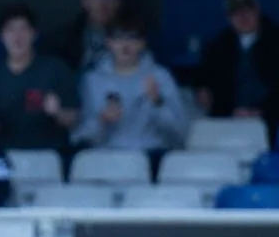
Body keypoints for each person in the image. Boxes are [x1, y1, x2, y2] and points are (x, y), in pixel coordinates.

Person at [192, 0, 279, 140]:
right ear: (228, 16)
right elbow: (205, 86)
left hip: (274, 126)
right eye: (236, 12)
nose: (243, 17)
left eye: (247, 10)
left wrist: (263, 112)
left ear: (257, 9)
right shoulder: (219, 46)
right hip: (229, 125)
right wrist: (230, 111)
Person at [71, 23, 190, 154]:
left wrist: (158, 102)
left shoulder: (160, 76)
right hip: (106, 156)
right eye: (118, 38)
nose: (125, 45)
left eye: (132, 38)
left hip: (152, 153)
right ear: (108, 42)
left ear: (143, 43)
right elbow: (79, 136)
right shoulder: (92, 80)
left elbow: (180, 132)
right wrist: (102, 120)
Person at [0, 5, 79, 152]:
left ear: (34, 34)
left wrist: (57, 112)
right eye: (11, 30)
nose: (17, 36)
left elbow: (73, 119)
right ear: (2, 36)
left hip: (47, 154)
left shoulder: (55, 68)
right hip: (4, 154)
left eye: (23, 29)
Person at [48, 0, 122, 72]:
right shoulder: (64, 37)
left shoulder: (131, 37)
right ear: (85, 1)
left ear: (118, 4)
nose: (104, 4)